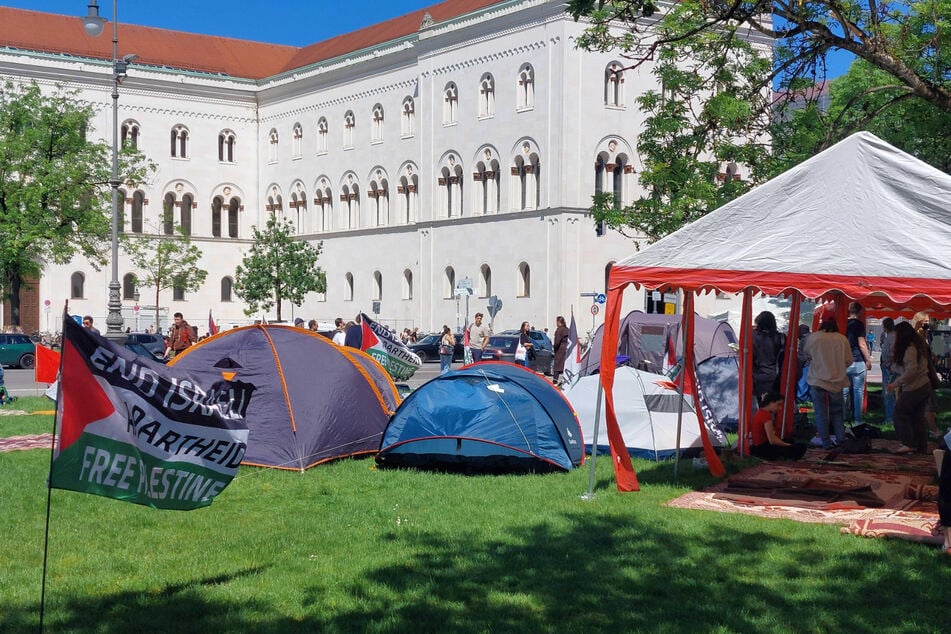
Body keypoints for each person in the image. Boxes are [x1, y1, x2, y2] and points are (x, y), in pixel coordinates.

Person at [804, 318, 852, 449]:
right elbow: (849, 360)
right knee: (837, 413)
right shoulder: (842, 339)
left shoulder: (814, 338)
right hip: (837, 381)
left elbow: (806, 353)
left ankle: (825, 442)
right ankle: (841, 440)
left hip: (817, 379)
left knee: (820, 413)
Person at [886, 321, 932, 454]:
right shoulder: (917, 347)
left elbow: (911, 372)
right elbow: (907, 369)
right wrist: (893, 364)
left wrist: (896, 383)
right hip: (923, 385)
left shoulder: (910, 349)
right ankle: (920, 447)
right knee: (917, 417)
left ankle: (908, 443)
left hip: (915, 387)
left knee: (900, 413)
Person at [747, 392, 807, 460]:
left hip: (760, 446)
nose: (780, 408)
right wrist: (787, 445)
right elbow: (772, 440)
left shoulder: (761, 412)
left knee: (790, 440)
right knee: (801, 446)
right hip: (763, 449)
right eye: (778, 405)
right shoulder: (765, 415)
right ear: (771, 402)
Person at [842, 302, 872, 425]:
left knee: (843, 391)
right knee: (858, 391)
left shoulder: (843, 323)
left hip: (844, 361)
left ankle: (842, 418)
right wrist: (868, 359)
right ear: (859, 312)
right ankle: (857, 419)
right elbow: (862, 343)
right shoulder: (858, 324)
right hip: (858, 360)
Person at [913, 311, 940, 438]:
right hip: (923, 375)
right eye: (926, 322)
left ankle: (925, 429)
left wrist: (932, 356)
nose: (928, 324)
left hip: (928, 372)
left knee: (928, 404)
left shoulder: (925, 336)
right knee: (929, 404)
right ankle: (934, 430)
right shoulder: (916, 338)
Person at [752, 311, 785, 396]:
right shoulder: (781, 337)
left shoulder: (753, 336)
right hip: (775, 376)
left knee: (759, 405)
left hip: (756, 375)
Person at [879, 317, 897, 425]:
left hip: (889, 367)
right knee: (888, 392)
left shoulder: (892, 336)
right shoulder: (890, 336)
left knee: (888, 393)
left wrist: (887, 363)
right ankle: (890, 416)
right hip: (887, 366)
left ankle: (890, 417)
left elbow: (893, 352)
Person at [552, 315, 570, 385]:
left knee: (557, 366)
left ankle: (555, 382)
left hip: (560, 350)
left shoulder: (559, 330)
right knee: (564, 366)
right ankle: (565, 381)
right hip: (567, 349)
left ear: (559, 322)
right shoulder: (567, 329)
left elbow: (557, 342)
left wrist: (554, 349)